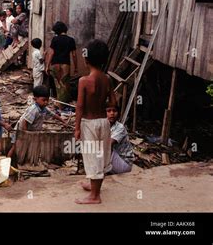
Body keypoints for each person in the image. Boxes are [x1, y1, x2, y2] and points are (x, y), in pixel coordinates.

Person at [75, 40, 116, 204]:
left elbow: (79, 106)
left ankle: (95, 196)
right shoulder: (107, 79)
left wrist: (76, 127)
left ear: (86, 60)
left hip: (89, 123)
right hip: (104, 122)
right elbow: (113, 101)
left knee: (92, 157)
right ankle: (94, 187)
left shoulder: (83, 81)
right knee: (101, 155)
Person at [8, 86, 66, 158]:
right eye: (44, 100)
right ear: (35, 99)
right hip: (21, 131)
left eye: (47, 100)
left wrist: (63, 121)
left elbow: (53, 115)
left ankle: (25, 160)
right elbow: (24, 121)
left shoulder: (44, 108)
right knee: (15, 146)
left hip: (32, 132)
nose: (46, 102)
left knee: (30, 146)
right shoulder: (34, 110)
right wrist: (25, 134)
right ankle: (8, 161)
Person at [45, 22, 78, 110]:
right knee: (65, 85)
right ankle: (62, 105)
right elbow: (74, 55)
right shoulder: (71, 40)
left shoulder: (55, 39)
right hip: (65, 64)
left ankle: (60, 104)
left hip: (55, 64)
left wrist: (47, 65)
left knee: (58, 85)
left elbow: (51, 53)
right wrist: (76, 67)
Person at [107, 105, 134, 174]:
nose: (112, 113)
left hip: (124, 163)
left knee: (101, 148)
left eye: (114, 111)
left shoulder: (120, 127)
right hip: (115, 160)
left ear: (118, 113)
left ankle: (98, 175)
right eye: (108, 111)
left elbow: (108, 145)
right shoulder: (104, 126)